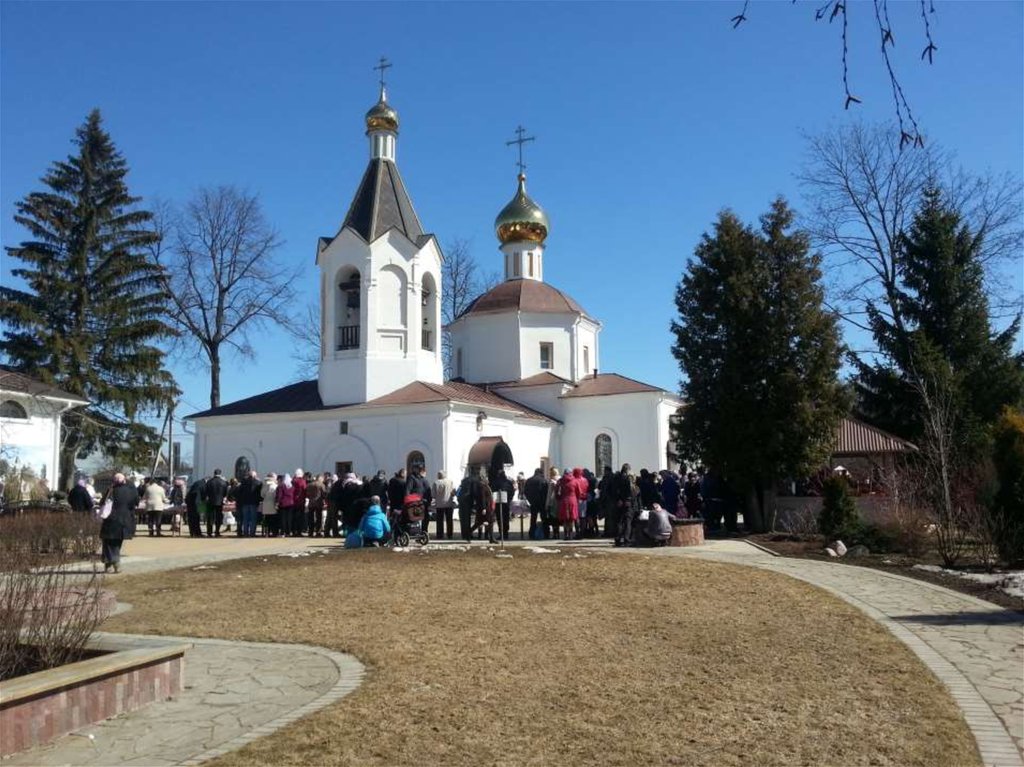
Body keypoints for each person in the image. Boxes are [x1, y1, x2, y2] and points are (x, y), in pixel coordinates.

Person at [100, 473, 137, 573]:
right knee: (117, 542)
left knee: (108, 542)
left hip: (111, 519)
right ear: (124, 480)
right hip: (124, 520)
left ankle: (112, 564)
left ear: (114, 481)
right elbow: (135, 502)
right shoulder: (130, 491)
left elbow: (102, 503)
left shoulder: (111, 490)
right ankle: (114, 563)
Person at [611, 463, 638, 546]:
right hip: (627, 502)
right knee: (627, 521)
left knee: (619, 521)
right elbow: (629, 490)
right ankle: (626, 539)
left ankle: (618, 539)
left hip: (619, 502)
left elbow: (613, 490)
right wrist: (627, 499)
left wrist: (618, 499)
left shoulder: (616, 478)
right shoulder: (627, 479)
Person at [235, 469, 262, 537]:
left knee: (245, 519)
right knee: (253, 519)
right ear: (255, 476)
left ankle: (246, 533)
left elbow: (239, 492)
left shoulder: (243, 482)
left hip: (245, 503)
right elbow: (260, 494)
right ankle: (252, 533)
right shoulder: (258, 483)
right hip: (254, 503)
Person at [524, 468, 548, 540]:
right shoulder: (543, 480)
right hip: (542, 502)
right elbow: (546, 492)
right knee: (544, 518)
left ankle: (532, 533)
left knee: (533, 518)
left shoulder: (529, 480)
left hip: (533, 502)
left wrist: (530, 500)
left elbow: (525, 491)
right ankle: (546, 533)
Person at [204, 469, 229, 537]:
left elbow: (206, 492)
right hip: (219, 502)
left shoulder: (209, 482)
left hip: (210, 502)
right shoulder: (223, 482)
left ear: (214, 473)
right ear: (220, 474)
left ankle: (209, 532)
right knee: (218, 518)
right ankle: (217, 532)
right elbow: (225, 493)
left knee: (210, 518)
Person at [557, 469, 580, 541]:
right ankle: (570, 534)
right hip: (573, 500)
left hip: (564, 500)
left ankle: (566, 534)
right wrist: (577, 499)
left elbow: (557, 491)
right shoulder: (575, 481)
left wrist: (559, 498)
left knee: (565, 519)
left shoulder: (560, 481)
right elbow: (578, 492)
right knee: (571, 519)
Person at [431, 471, 455, 540]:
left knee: (439, 521)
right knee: (449, 520)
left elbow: (433, 495)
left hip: (439, 504)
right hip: (449, 504)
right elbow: (453, 492)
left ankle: (440, 535)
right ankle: (450, 535)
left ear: (439, 475)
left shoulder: (436, 483)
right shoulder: (450, 482)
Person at [305, 472, 326, 536]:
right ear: (320, 478)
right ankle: (318, 532)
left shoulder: (309, 485)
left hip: (311, 503)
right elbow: (324, 494)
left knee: (311, 518)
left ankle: (310, 532)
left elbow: (307, 494)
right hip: (318, 503)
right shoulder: (321, 485)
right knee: (318, 518)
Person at [260, 472, 279, 536]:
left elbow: (262, 495)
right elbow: (276, 495)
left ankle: (267, 532)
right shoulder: (275, 486)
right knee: (273, 519)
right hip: (273, 504)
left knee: (267, 519)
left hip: (266, 504)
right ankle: (274, 532)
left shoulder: (264, 486)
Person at [291, 469, 308, 537]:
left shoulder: (292, 481)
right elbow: (304, 490)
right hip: (300, 501)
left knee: (294, 517)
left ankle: (293, 531)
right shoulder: (302, 481)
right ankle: (298, 531)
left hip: (293, 501)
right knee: (300, 517)